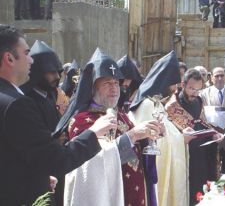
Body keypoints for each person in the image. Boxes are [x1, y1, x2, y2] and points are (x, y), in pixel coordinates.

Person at [0, 25, 119, 205]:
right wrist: (94, 133)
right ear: (9, 58)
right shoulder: (17, 105)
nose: (31, 60)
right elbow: (57, 160)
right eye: (26, 53)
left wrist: (37, 176)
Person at [60, 48, 164, 206]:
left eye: (116, 83)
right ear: (93, 87)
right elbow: (92, 164)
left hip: (134, 193)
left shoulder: (120, 115)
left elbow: (133, 149)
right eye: (107, 83)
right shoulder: (81, 121)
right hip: (108, 196)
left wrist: (149, 136)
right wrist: (133, 135)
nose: (114, 88)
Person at [129, 51, 193, 206]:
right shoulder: (148, 105)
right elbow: (155, 143)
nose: (175, 88)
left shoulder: (155, 103)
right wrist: (181, 139)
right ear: (163, 82)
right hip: (150, 172)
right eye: (174, 84)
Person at [165, 68, 223, 205]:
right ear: (183, 84)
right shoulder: (172, 106)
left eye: (198, 90)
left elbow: (203, 122)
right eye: (191, 89)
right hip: (184, 156)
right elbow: (169, 133)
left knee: (202, 189)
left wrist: (214, 134)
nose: (195, 94)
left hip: (202, 154)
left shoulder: (199, 100)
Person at [19, 40, 64, 205]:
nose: (57, 77)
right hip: (38, 169)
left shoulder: (50, 95)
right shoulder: (25, 100)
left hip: (56, 163)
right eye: (51, 72)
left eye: (58, 72)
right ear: (38, 72)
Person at [200, 67, 225, 175]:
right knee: (211, 170)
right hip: (211, 137)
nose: (220, 78)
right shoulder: (203, 94)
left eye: (222, 76)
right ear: (211, 78)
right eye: (216, 76)